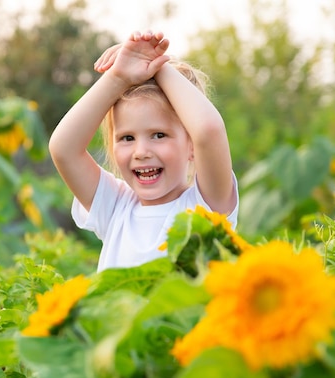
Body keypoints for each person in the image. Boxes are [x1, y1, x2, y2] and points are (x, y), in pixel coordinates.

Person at [49, 30, 238, 272]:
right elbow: (63, 148)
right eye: (127, 138)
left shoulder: (207, 208)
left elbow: (209, 130)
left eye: (159, 135)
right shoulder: (116, 206)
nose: (141, 152)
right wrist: (116, 77)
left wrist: (157, 66)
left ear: (191, 145)